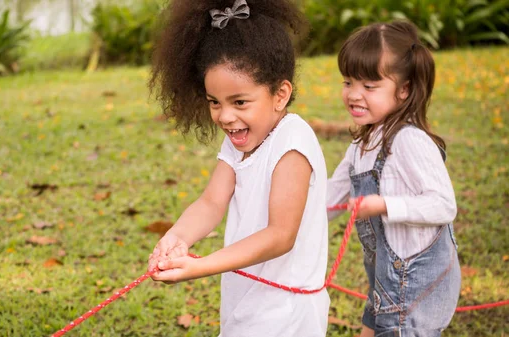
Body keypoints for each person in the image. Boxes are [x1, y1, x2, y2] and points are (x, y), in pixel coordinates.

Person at [146, 0, 330, 335]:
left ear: (280, 94)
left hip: (286, 312)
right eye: (214, 102)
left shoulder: (292, 142)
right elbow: (211, 202)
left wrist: (201, 267)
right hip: (246, 298)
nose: (225, 117)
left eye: (239, 102)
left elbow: (280, 235)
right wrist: (176, 239)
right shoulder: (238, 142)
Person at [326, 21, 461, 336]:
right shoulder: (361, 145)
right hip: (385, 283)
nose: (354, 94)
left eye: (369, 86)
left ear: (404, 90)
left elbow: (443, 205)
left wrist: (386, 204)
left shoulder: (408, 141)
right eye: (348, 82)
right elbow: (330, 200)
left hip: (413, 288)